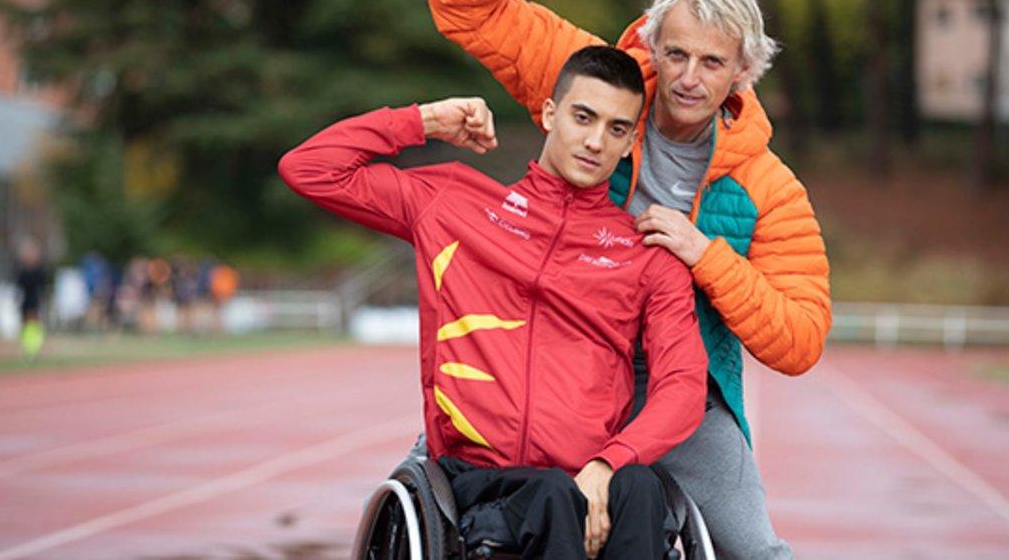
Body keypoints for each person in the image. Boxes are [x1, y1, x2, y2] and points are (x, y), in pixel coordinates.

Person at [427, 0, 833, 559]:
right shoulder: (595, 85)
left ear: (742, 72)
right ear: (651, 41)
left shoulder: (770, 190)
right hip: (552, 359)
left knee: (756, 551)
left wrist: (706, 256)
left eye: (712, 61)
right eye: (675, 53)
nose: (688, 78)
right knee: (444, 484)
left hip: (675, 386)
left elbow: (801, 339)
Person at [279, 46, 707, 559]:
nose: (595, 141)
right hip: (481, 482)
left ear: (631, 140)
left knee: (639, 488)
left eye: (616, 128)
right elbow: (309, 168)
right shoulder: (455, 204)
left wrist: (610, 463)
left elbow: (683, 385)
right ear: (550, 114)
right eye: (582, 117)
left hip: (590, 475)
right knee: (551, 495)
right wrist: (425, 120)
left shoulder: (646, 256)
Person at [15, 238, 48, 364]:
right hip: (25, 301)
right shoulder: (23, 271)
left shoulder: (39, 271)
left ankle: (34, 348)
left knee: (34, 325)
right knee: (26, 326)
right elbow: (18, 286)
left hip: (34, 301)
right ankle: (28, 349)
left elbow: (42, 287)